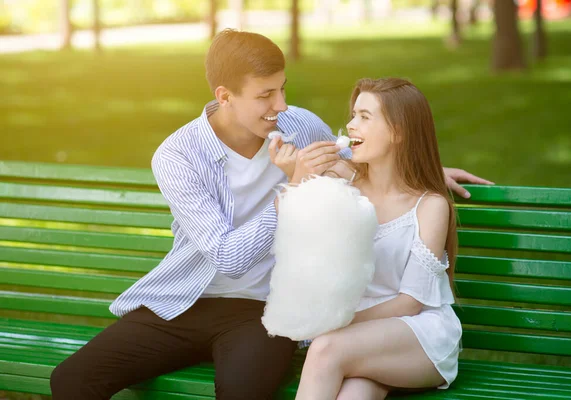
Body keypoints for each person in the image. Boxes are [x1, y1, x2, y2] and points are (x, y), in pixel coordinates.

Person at [50, 29, 489, 400]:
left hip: (263, 311)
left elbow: (362, 152)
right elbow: (228, 257)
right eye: (265, 95)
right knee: (70, 380)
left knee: (245, 392)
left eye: (282, 88)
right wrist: (291, 189)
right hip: (186, 301)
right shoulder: (178, 156)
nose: (280, 105)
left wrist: (428, 170)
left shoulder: (297, 124)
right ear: (225, 97)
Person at [274, 77, 464, 400]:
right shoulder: (340, 181)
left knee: (323, 349)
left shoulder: (429, 206)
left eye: (365, 117)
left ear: (398, 131)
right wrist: (296, 180)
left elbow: (411, 302)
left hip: (418, 334)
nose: (351, 124)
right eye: (353, 115)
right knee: (355, 395)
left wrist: (334, 323)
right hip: (360, 341)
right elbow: (293, 231)